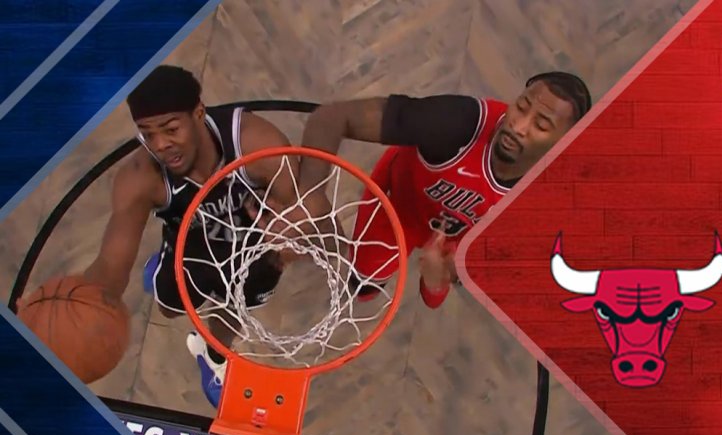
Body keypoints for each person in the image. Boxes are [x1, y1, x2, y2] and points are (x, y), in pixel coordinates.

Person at [82, 65, 326, 408]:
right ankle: (163, 265)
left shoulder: (257, 144)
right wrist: (75, 304)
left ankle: (213, 357)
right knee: (170, 308)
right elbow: (110, 266)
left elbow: (304, 214)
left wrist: (289, 240)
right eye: (147, 134)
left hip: (253, 245)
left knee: (236, 306)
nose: (160, 145)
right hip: (190, 246)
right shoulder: (141, 178)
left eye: (171, 129)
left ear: (198, 112)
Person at [294, 71, 591, 308]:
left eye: (541, 125)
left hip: (455, 237)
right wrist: (308, 199)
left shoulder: (547, 202)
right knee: (363, 285)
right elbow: (331, 117)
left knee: (435, 290)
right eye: (522, 106)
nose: (518, 125)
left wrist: (441, 279)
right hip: (399, 202)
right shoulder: (458, 123)